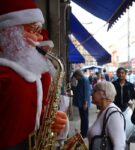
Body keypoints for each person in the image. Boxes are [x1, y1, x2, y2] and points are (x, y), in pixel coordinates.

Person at [0, 0, 67, 149]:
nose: (41, 38)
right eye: (33, 31)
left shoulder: (40, 74)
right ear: (9, 33)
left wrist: (53, 121)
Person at [88, 81, 126, 150]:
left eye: (94, 91)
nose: (92, 93)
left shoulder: (113, 113)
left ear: (103, 93)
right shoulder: (103, 110)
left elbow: (119, 145)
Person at [72, 69, 91, 138]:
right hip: (81, 103)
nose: (75, 78)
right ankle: (82, 131)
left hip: (83, 104)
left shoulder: (84, 80)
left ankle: (84, 133)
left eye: (75, 76)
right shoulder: (80, 80)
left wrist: (85, 103)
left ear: (78, 75)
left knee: (85, 118)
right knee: (83, 118)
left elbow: (86, 92)